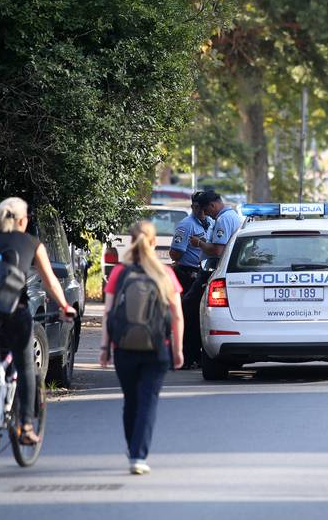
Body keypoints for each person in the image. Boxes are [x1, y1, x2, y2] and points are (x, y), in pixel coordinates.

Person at [0, 197, 76, 445]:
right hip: (14, 311)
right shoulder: (32, 243)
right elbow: (49, 281)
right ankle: (26, 426)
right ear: (20, 220)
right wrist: (65, 306)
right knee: (26, 364)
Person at [99, 220, 184, 475]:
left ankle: (132, 447)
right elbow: (177, 315)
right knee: (148, 401)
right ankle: (138, 455)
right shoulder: (165, 273)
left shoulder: (119, 272)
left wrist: (105, 347)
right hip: (157, 347)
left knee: (131, 401)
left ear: (131, 241)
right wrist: (178, 349)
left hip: (124, 347)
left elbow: (108, 312)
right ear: (154, 242)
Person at [185, 190, 242, 363]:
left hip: (212, 271)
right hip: (216, 270)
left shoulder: (224, 219)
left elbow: (218, 250)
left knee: (189, 309)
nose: (207, 214)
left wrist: (199, 243)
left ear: (212, 205)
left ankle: (191, 355)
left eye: (207, 210)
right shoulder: (230, 216)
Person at [169, 192, 211, 368]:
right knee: (187, 316)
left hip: (204, 274)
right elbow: (175, 253)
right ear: (194, 206)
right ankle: (186, 356)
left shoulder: (212, 223)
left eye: (204, 207)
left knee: (200, 317)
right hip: (187, 274)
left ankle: (197, 354)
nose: (202, 211)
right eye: (198, 207)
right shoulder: (186, 226)